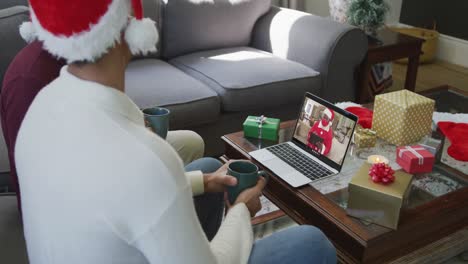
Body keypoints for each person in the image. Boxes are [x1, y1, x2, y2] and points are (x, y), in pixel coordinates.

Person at [14, 0, 337, 263]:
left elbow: (106, 194)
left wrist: (202, 182)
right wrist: (240, 213)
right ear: (128, 25)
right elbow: (133, 184)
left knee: (209, 169)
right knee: (312, 242)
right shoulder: (145, 161)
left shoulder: (40, 108)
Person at [1, 41, 205, 216]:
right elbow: (54, 180)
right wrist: (201, 181)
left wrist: (131, 124)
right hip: (69, 201)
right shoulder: (29, 81)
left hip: (97, 156)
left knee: (191, 142)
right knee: (208, 170)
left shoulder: (78, 55)